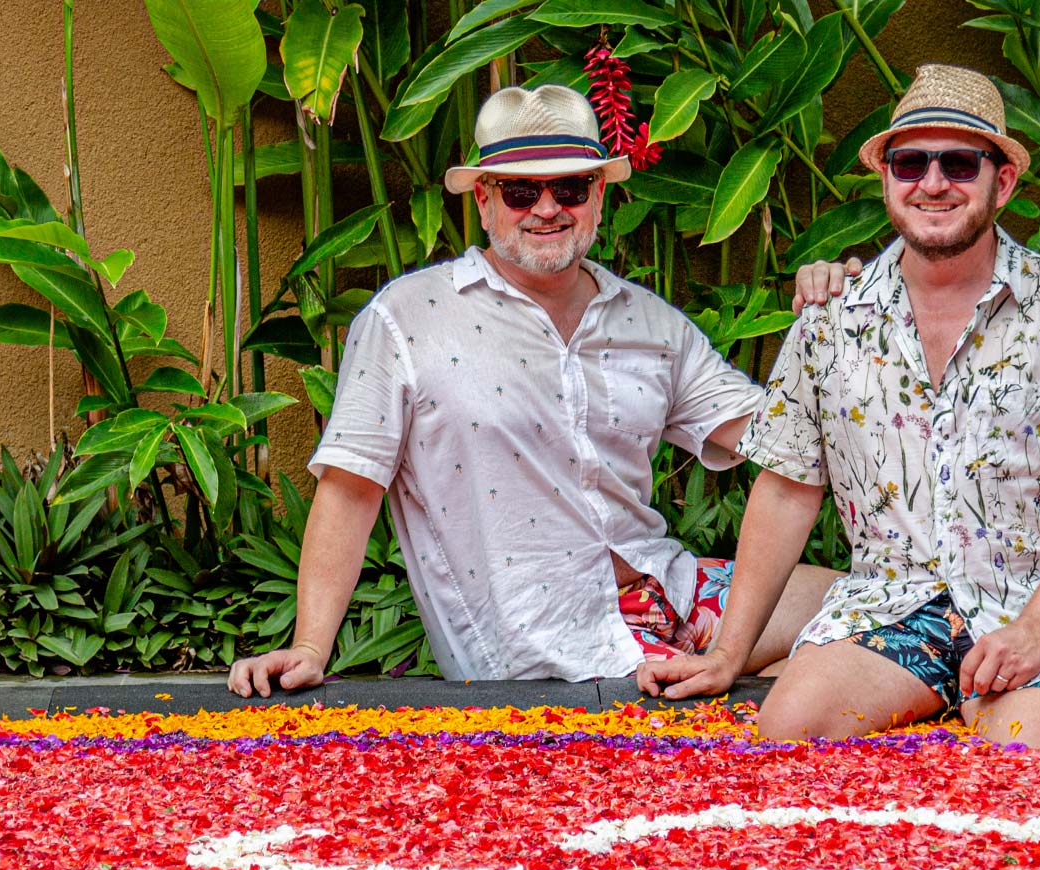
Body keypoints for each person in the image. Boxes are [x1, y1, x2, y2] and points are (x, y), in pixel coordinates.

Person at [229, 84, 845, 696]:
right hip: (549, 647)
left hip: (674, 589)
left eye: (569, 188)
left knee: (879, 613)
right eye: (523, 190)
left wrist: (839, 320)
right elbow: (351, 489)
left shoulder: (649, 322)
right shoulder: (406, 318)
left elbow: (781, 435)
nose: (547, 208)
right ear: (484, 199)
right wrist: (310, 644)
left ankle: (774, 679)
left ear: (598, 196)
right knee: (807, 688)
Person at [639, 64, 1040, 748]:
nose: (933, 182)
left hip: (1034, 603)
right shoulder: (832, 319)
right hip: (898, 607)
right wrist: (728, 652)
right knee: (789, 725)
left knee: (1021, 754)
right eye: (911, 162)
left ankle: (1007, 696)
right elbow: (786, 489)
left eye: (958, 162)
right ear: (887, 178)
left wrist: (1037, 630)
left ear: (1001, 181)